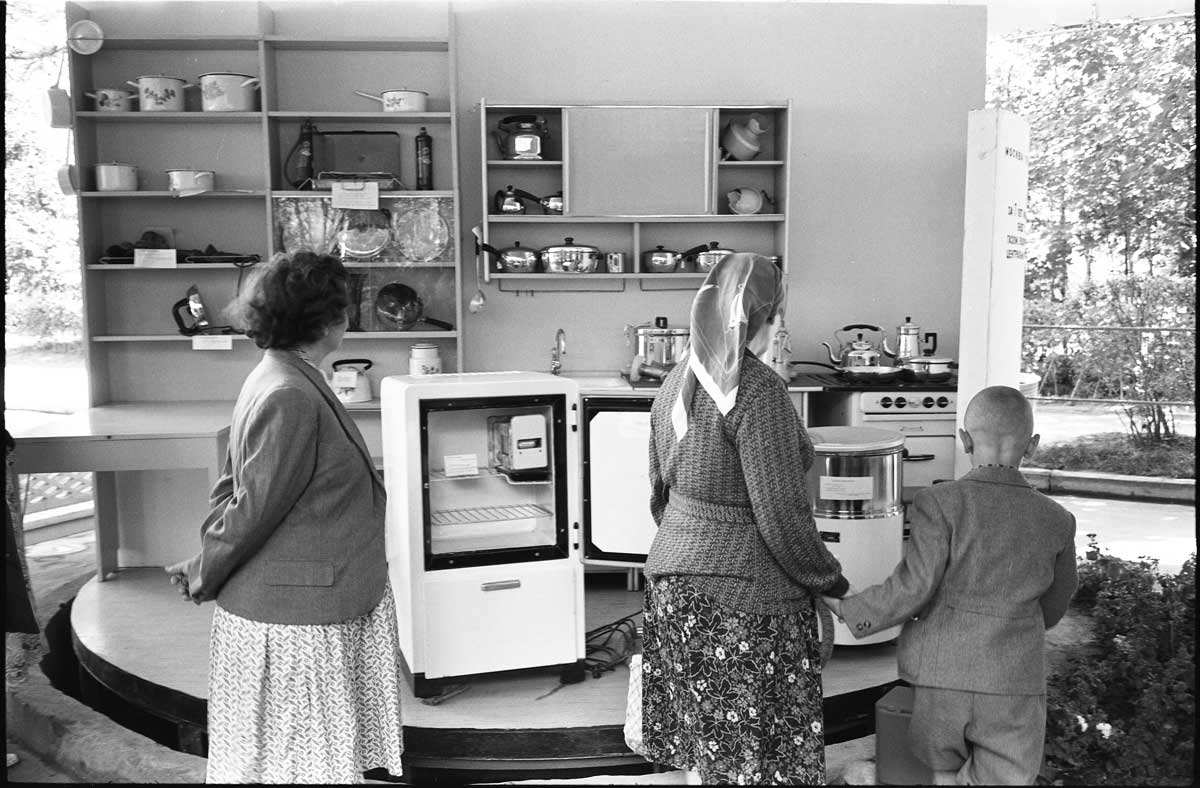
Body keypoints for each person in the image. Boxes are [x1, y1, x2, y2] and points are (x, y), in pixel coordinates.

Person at [165, 251, 403, 784]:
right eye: (345, 307)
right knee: (306, 770)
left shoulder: (282, 374)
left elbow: (242, 490)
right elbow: (253, 507)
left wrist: (204, 558)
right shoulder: (292, 392)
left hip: (302, 601)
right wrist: (206, 569)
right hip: (298, 617)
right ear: (326, 320)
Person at [639, 252, 852, 785]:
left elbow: (660, 494)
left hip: (673, 592)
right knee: (755, 758)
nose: (784, 327)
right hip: (744, 604)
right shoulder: (758, 392)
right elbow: (782, 515)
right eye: (780, 314)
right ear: (764, 318)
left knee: (709, 754)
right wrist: (828, 581)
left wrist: (690, 548)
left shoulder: (673, 383)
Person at [823, 385, 1077, 785]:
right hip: (1012, 683)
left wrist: (849, 608)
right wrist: (1011, 630)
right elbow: (1055, 606)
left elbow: (912, 588)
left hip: (940, 681)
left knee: (939, 772)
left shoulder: (939, 503)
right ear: (1033, 444)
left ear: (964, 440)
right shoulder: (1057, 521)